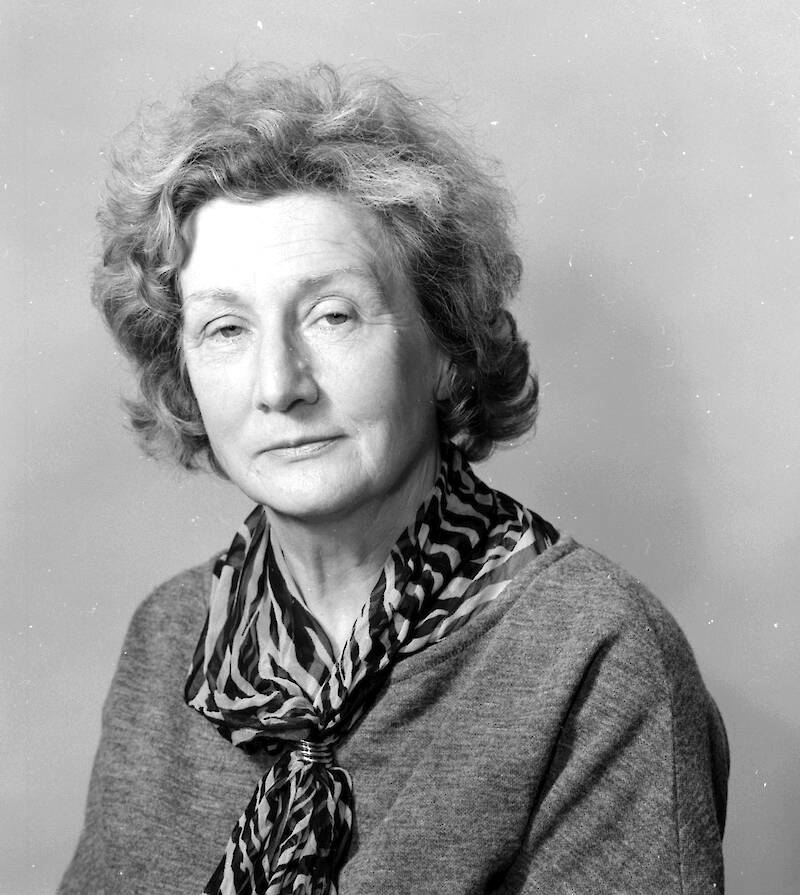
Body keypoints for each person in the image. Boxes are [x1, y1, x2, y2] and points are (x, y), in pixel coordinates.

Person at [59, 64, 729, 895]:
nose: (279, 386)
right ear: (182, 368)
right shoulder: (169, 637)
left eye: (331, 316)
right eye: (226, 328)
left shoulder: (597, 656)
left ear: (444, 342)